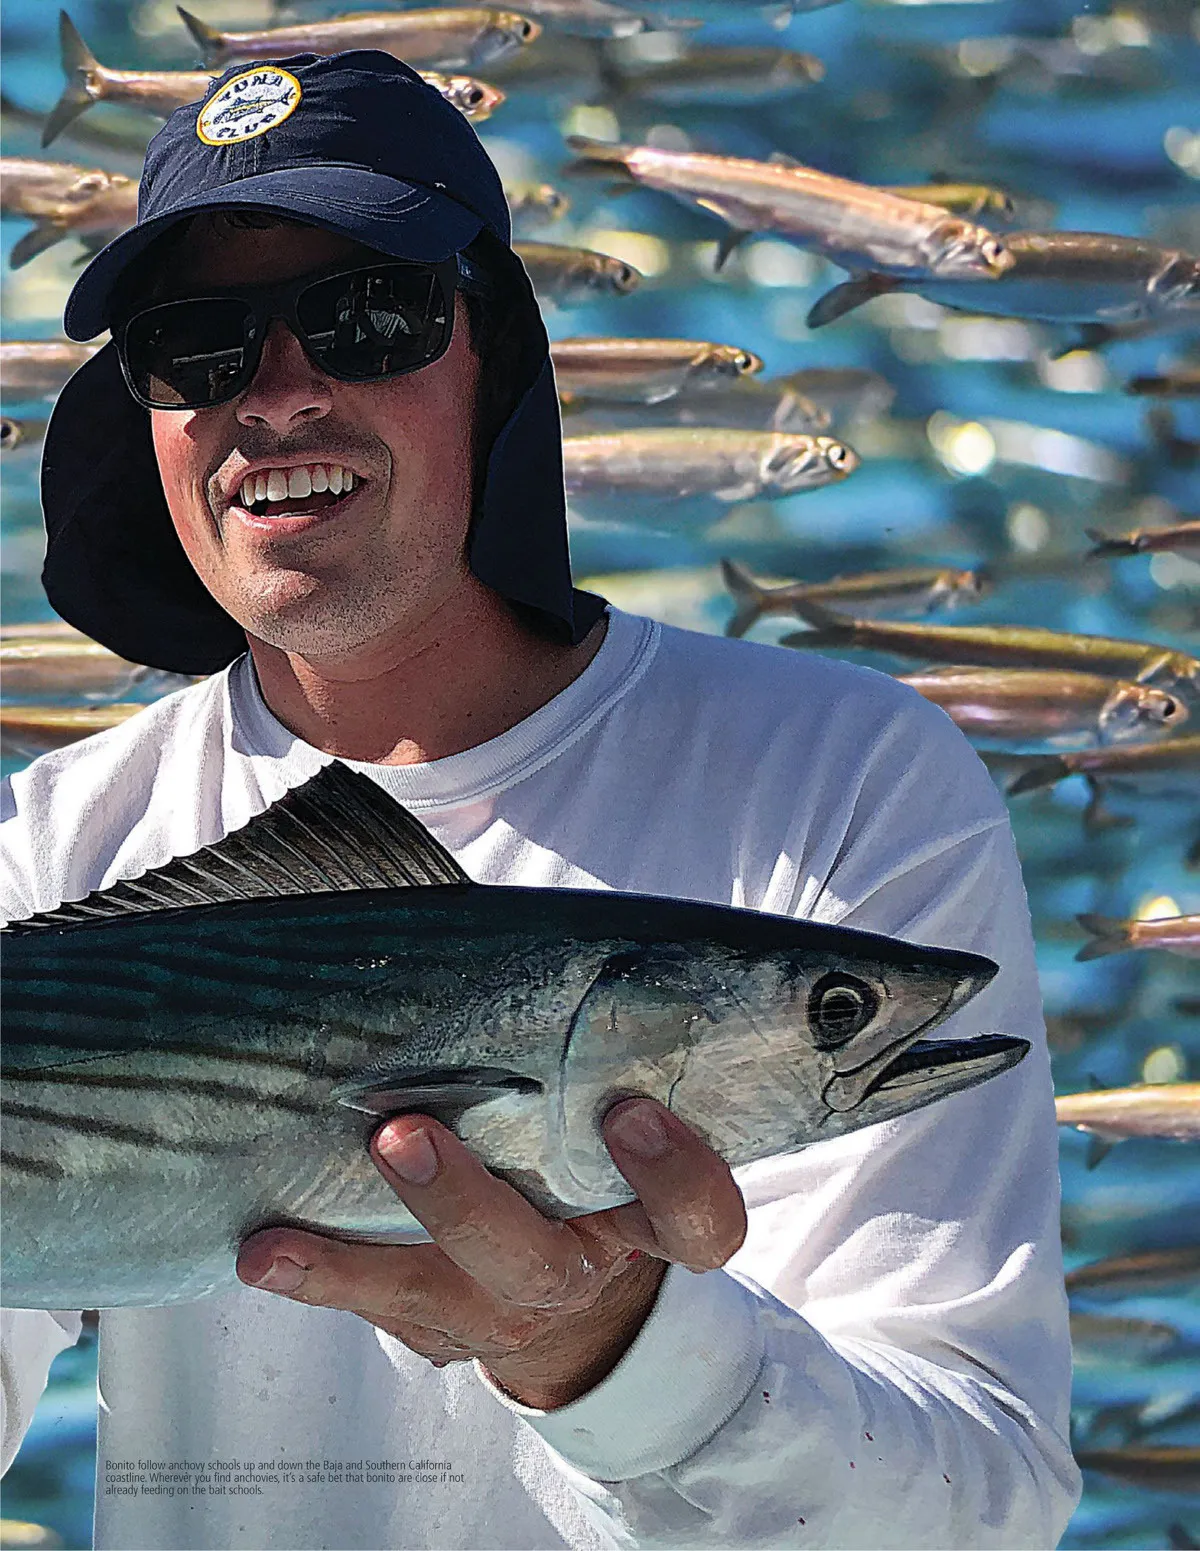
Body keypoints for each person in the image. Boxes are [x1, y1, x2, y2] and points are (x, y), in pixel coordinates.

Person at [0, 49, 1081, 1551]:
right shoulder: (59, 839)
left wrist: (614, 1355)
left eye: (367, 314)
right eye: (197, 346)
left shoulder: (839, 777)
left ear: (495, 355)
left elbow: (980, 1507)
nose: (282, 395)